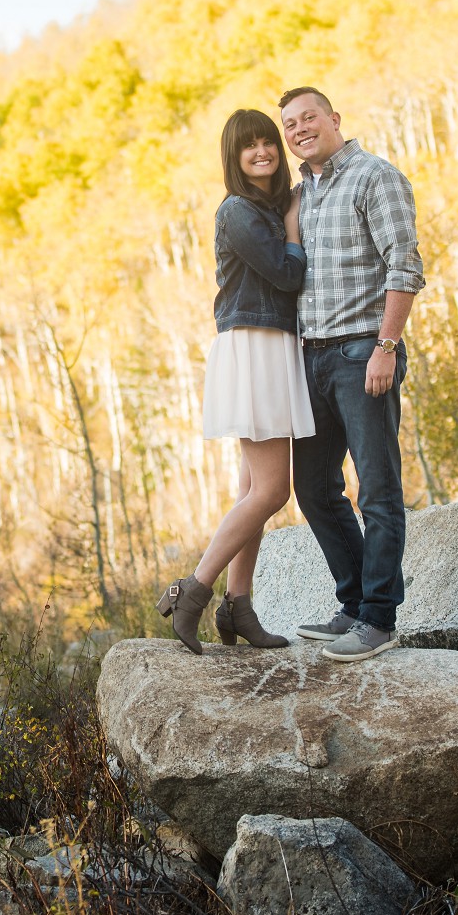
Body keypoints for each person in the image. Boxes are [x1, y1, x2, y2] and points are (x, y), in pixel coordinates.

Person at [158, 109, 315, 654]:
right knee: (274, 489)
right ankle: (193, 592)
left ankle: (237, 607)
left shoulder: (262, 209)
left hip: (269, 345)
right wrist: (294, 225)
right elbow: (288, 274)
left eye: (268, 142)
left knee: (252, 489)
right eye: (249, 147)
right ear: (234, 156)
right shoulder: (240, 213)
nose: (263, 152)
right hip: (255, 346)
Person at [278, 85, 424, 663]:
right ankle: (354, 601)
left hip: (364, 351)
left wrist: (386, 346)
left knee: (378, 487)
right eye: (289, 124)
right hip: (310, 358)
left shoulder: (374, 177)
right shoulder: (300, 195)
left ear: (334, 118)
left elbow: (405, 265)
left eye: (307, 117)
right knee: (313, 488)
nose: (298, 129)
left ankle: (379, 619)